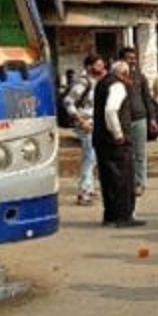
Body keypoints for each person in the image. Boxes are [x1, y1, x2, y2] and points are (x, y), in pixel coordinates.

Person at [92, 60, 143, 227]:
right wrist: (118, 133)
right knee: (123, 178)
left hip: (101, 139)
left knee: (108, 179)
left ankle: (110, 215)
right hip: (115, 141)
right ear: (124, 74)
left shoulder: (102, 84)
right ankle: (123, 216)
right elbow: (111, 110)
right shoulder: (117, 86)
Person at [64, 54, 107, 206]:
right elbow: (68, 101)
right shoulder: (83, 82)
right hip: (86, 123)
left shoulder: (98, 82)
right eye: (98, 65)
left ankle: (90, 188)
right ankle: (84, 192)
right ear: (89, 67)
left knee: (94, 157)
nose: (102, 68)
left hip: (96, 123)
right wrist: (80, 121)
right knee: (90, 158)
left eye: (102, 65)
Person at [119, 47, 158, 197]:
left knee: (140, 153)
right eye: (129, 58)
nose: (132, 61)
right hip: (123, 121)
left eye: (134, 58)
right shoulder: (116, 78)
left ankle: (140, 183)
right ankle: (126, 182)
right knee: (125, 153)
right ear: (122, 60)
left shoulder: (140, 77)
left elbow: (147, 98)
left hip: (140, 118)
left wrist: (152, 118)